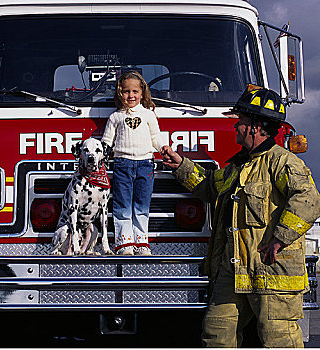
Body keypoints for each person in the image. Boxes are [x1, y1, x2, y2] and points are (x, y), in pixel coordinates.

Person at [161, 85, 320, 347]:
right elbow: (209, 186)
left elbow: (308, 200)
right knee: (216, 334)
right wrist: (181, 166)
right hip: (234, 272)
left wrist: (280, 238)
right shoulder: (238, 165)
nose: (236, 127)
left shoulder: (282, 162)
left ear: (256, 127)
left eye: (241, 122)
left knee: (278, 340)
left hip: (272, 272)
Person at [102, 71, 166, 255]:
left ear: (142, 93)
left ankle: (141, 241)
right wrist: (100, 156)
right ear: (119, 93)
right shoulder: (115, 117)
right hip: (122, 164)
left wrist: (164, 148)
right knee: (122, 204)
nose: (131, 96)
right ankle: (124, 242)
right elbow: (107, 141)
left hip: (145, 164)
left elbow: (156, 137)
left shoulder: (148, 115)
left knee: (142, 204)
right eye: (126, 91)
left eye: (135, 91)